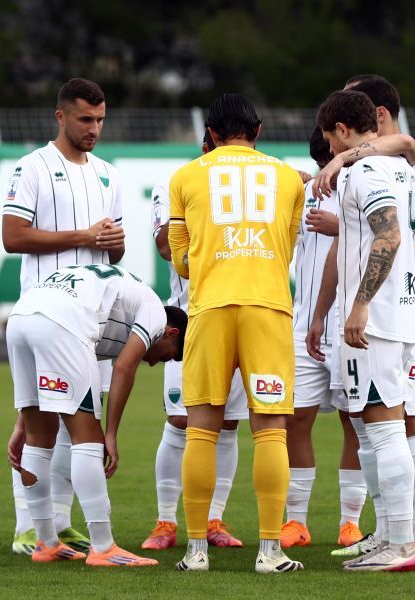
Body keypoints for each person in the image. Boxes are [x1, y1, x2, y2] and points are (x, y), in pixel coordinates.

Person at [312, 75, 415, 568]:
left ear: (343, 130)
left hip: (379, 317)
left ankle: (402, 543)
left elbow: (388, 236)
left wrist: (360, 304)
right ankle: (401, 538)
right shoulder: (407, 169)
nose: (329, 148)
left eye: (329, 139)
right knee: (393, 425)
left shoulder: (365, 172)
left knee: (385, 429)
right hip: (407, 312)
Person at [169, 93, 306, 574]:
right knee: (270, 430)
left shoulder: (185, 176)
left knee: (200, 429)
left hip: (210, 309)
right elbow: (286, 247)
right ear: (259, 131)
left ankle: (195, 552)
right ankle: (270, 551)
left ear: (210, 134)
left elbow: (181, 260)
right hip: (267, 308)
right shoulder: (288, 177)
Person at [2, 78, 125, 555]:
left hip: (91, 319)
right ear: (60, 116)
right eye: (85, 119)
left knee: (81, 424)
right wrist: (84, 236)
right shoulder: (31, 166)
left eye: (100, 120)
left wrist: (112, 244)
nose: (94, 128)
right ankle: (27, 528)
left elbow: (112, 251)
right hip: (44, 315)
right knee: (39, 425)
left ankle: (59, 523)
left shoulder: (108, 174)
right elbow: (13, 236)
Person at [6, 263, 184, 567]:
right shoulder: (156, 312)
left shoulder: (121, 309)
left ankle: (46, 543)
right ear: (171, 333)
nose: (156, 363)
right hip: (62, 320)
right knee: (87, 439)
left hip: (21, 316)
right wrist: (110, 433)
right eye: (168, 356)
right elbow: (124, 367)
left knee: (38, 437)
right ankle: (103, 548)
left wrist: (22, 423)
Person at [143, 131, 246, 550]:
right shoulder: (176, 182)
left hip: (242, 315)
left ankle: (214, 520)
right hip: (191, 320)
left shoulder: (251, 186)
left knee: (229, 424)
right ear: (206, 147)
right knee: (181, 421)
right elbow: (166, 246)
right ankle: (166, 522)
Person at [281, 127, 367, 551]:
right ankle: (296, 521)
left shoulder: (365, 184)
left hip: (352, 324)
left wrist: (343, 227)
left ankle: (350, 522)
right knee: (295, 419)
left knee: (356, 422)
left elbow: (391, 235)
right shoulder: (301, 192)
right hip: (305, 326)